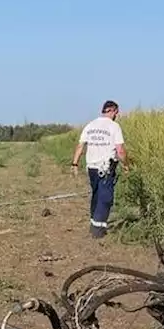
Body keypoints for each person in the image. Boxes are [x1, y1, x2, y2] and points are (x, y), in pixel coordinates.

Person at [71, 101, 127, 238]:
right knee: (105, 197)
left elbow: (80, 146)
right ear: (112, 111)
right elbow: (120, 150)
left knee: (96, 195)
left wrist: (75, 164)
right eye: (117, 112)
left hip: (91, 168)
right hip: (106, 168)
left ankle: (93, 221)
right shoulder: (114, 127)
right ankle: (98, 229)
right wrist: (126, 164)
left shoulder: (90, 125)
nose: (117, 115)